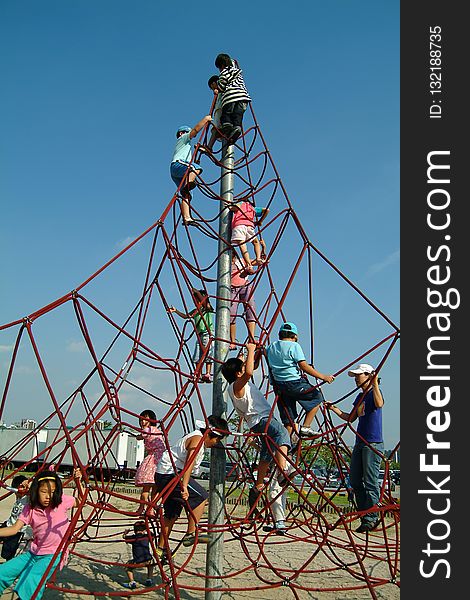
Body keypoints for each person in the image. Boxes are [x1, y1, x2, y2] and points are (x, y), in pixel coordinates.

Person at [221, 342, 291, 514]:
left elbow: (248, 366)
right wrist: (251, 350)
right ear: (238, 373)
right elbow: (250, 371)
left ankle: (258, 484)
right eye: (242, 368)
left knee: (267, 452)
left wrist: (249, 353)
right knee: (282, 434)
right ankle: (283, 472)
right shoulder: (237, 385)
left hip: (257, 422)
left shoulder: (236, 383)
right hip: (262, 418)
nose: (245, 368)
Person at [0, 469, 85, 600]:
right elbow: (14, 529)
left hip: (53, 554)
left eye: (52, 492)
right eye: (44, 492)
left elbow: (81, 500)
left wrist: (78, 481)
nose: (48, 496)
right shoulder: (30, 508)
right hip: (33, 553)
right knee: (3, 572)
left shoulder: (61, 502)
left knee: (31, 579)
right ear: (36, 491)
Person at [153, 415, 229, 562]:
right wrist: (185, 487)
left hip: (165, 474)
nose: (215, 443)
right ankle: (191, 533)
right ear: (210, 434)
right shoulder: (197, 440)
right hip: (172, 475)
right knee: (201, 497)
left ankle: (160, 549)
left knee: (171, 515)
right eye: (216, 440)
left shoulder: (197, 437)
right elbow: (188, 465)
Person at [326, 363, 384, 533]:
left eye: (359, 375)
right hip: (360, 442)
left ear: (368, 375)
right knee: (356, 481)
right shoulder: (360, 397)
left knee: (371, 481)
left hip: (372, 442)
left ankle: (372, 517)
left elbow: (379, 404)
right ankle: (364, 515)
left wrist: (375, 383)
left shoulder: (374, 393)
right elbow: (350, 418)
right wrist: (334, 408)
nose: (356, 379)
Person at [266, 322, 335, 438]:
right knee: (317, 397)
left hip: (280, 386)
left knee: (289, 420)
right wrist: (323, 376)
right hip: (294, 383)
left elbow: (264, 355)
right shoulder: (294, 346)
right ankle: (306, 427)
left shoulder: (271, 346)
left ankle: (285, 445)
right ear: (295, 336)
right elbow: (303, 366)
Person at [170, 115, 212, 226]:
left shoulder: (184, 146)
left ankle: (187, 218)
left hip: (177, 171)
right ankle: (189, 183)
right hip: (178, 165)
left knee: (186, 194)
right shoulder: (182, 138)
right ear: (181, 133)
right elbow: (195, 130)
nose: (191, 135)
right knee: (196, 168)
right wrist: (206, 119)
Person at [168, 288, 214, 383]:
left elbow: (201, 298)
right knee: (197, 356)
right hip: (199, 335)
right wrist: (175, 311)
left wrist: (194, 290)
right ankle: (198, 375)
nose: (195, 302)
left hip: (207, 334)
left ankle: (208, 373)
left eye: (197, 300)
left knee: (208, 353)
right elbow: (186, 316)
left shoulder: (207, 307)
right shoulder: (196, 310)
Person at [215, 53, 251, 144]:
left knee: (227, 113)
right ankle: (237, 128)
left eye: (219, 68)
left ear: (222, 65)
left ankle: (227, 125)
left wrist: (217, 87)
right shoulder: (238, 72)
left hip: (231, 97)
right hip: (243, 97)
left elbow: (222, 86)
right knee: (238, 115)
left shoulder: (224, 72)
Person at [134, 410, 165, 516]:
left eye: (146, 419)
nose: (143, 422)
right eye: (141, 419)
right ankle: (151, 509)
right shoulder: (158, 430)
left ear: (151, 420)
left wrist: (138, 436)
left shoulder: (148, 429)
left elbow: (141, 436)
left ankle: (142, 507)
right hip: (160, 461)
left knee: (146, 487)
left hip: (153, 459)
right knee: (155, 488)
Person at [229, 251, 257, 351]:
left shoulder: (241, 261)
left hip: (245, 286)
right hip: (232, 289)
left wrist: (263, 250)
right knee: (231, 314)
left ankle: (251, 338)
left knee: (251, 311)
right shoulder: (225, 265)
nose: (231, 260)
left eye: (232, 257)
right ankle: (232, 341)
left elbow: (256, 261)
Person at [0, 476, 33, 560]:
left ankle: (9, 565)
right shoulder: (19, 496)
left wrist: (27, 486)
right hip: (8, 524)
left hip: (17, 530)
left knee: (8, 553)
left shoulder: (28, 498)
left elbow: (36, 491)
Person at [230, 200, 266, 273]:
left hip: (239, 225)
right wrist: (260, 221)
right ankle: (258, 258)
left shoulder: (240, 204)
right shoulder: (252, 208)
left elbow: (234, 207)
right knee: (256, 242)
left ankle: (249, 265)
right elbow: (266, 210)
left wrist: (229, 206)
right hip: (249, 226)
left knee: (242, 245)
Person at [122, 521, 154, 589]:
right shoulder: (147, 536)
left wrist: (125, 533)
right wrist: (148, 530)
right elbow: (153, 535)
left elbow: (124, 537)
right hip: (148, 560)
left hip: (138, 561)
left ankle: (132, 582)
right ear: (144, 530)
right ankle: (149, 579)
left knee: (127, 567)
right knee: (151, 564)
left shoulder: (133, 538)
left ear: (134, 530)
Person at [205, 75, 223, 152]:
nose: (213, 90)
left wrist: (218, 91)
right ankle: (209, 147)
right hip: (219, 111)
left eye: (212, 87)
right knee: (216, 130)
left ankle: (209, 147)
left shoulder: (223, 88)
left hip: (221, 111)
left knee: (215, 130)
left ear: (213, 84)